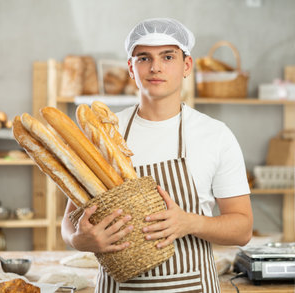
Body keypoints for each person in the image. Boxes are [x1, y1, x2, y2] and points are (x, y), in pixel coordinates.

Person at [61, 18, 253, 292]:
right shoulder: (103, 134)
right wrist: (80, 241)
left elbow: (243, 228)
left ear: (187, 66)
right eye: (144, 58)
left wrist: (189, 222)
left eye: (168, 56)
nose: (155, 67)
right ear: (131, 67)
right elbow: (69, 224)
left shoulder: (215, 135)